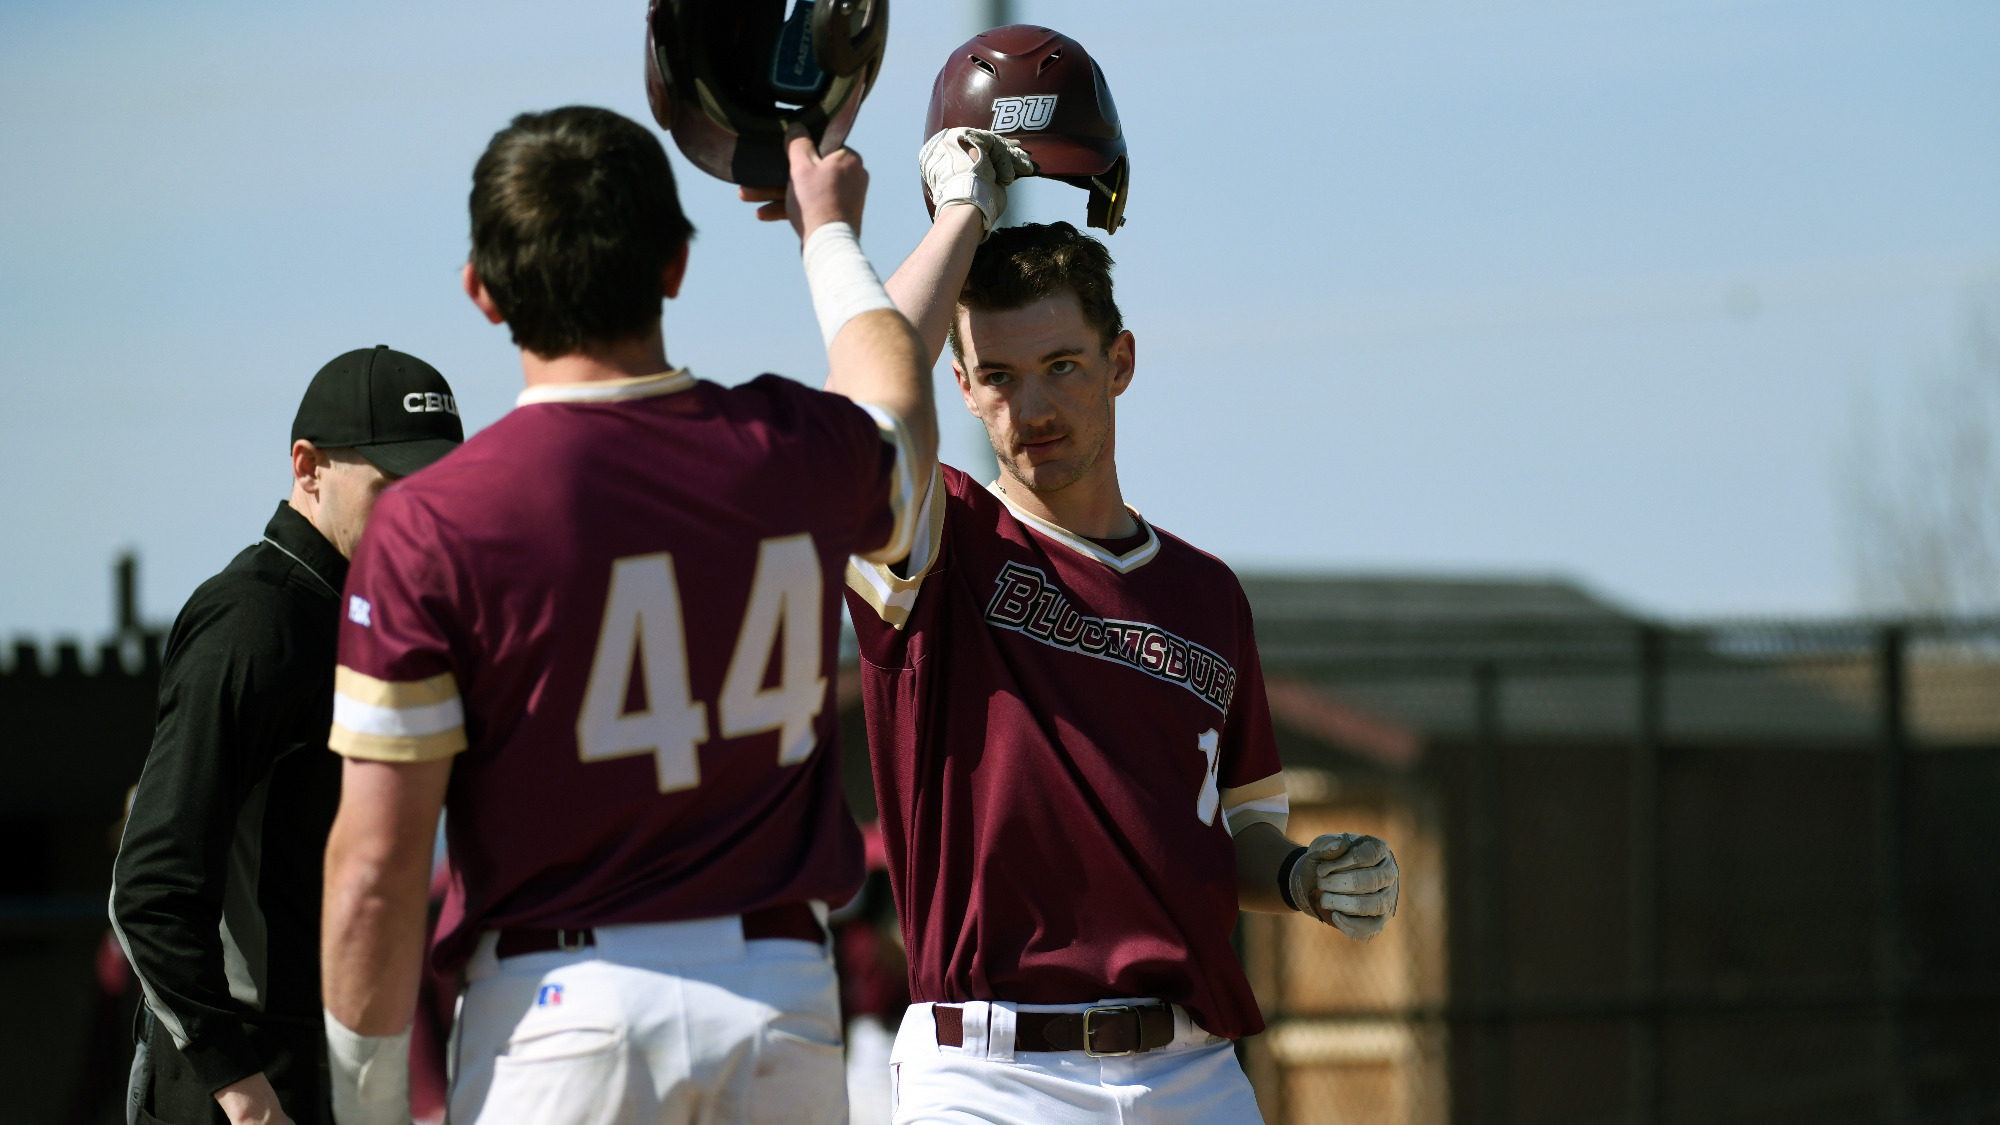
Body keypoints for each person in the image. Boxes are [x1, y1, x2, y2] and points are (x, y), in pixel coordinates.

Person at [318, 106, 934, 1125]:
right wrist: (826, 233)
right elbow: (898, 409)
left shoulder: (432, 522)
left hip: (560, 1016)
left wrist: (366, 1107)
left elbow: (376, 870)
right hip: (777, 1003)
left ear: (481, 291)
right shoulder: (791, 444)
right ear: (677, 265)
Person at [835, 106, 1403, 1125]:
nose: (1031, 408)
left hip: (1191, 1071)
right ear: (959, 386)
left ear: (1121, 362)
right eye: (997, 378)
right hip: (986, 1075)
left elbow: (1238, 842)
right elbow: (858, 413)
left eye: (1060, 366)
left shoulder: (1204, 594)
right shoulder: (939, 545)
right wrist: (960, 214)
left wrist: (1307, 875)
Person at [109, 347, 464, 1125]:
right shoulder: (255, 621)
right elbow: (149, 888)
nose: (420, 513)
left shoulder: (373, 614)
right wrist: (241, 1088)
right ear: (308, 467)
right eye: (392, 484)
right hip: (248, 1078)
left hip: (332, 1065)